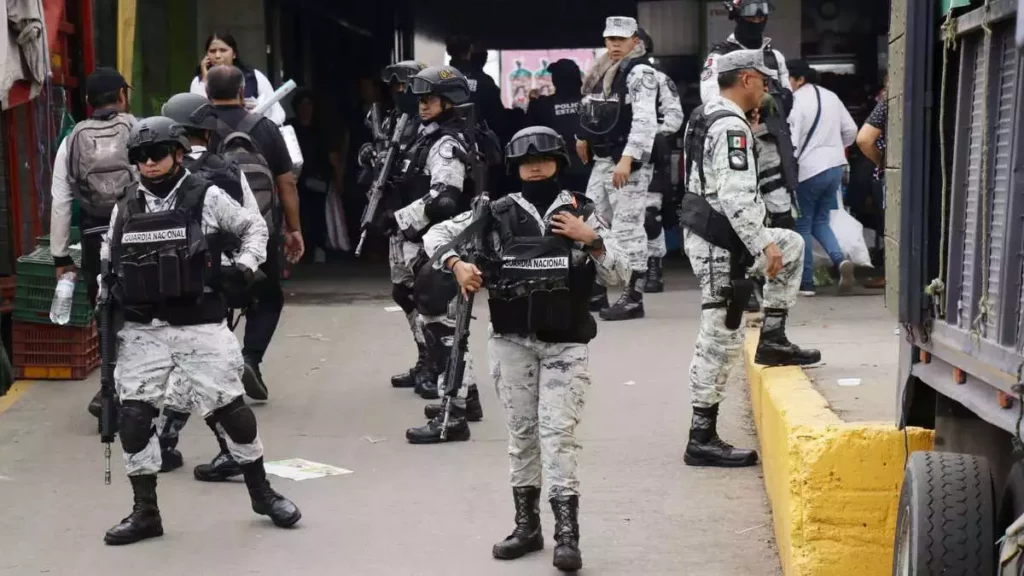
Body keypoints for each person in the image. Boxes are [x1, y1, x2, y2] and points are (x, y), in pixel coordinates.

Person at [423, 126, 630, 572]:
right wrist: (458, 265)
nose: (534, 167)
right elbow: (435, 236)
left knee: (558, 436)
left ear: (559, 161)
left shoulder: (584, 209)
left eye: (543, 159)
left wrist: (589, 238)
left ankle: (567, 536)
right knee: (522, 437)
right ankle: (526, 527)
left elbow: (622, 274)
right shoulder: (494, 212)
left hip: (566, 343)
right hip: (512, 341)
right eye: (525, 162)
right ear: (515, 168)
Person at [100, 116, 299, 545]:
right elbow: (108, 259)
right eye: (139, 157)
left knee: (233, 413)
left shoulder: (203, 195)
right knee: (134, 419)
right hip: (142, 329)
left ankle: (262, 493)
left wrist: (245, 269)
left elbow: (253, 226)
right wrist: (106, 296)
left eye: (156, 154)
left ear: (177, 153)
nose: (148, 163)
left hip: (200, 323)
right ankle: (145, 511)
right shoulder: (126, 205)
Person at [681, 50, 820, 468]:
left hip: (716, 234)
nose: (766, 88)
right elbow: (734, 194)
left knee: (793, 245)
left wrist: (770, 242)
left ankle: (773, 339)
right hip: (720, 241)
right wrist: (763, 243)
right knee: (720, 335)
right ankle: (701, 436)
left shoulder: (707, 113)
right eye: (762, 81)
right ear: (745, 79)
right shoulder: (730, 127)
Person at [155, 91, 261, 475]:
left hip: (171, 283)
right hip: (222, 280)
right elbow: (252, 220)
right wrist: (245, 267)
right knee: (193, 362)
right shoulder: (230, 169)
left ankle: (221, 449)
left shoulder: (169, 174)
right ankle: (166, 441)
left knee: (194, 364)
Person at [381, 66, 482, 444]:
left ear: (449, 101)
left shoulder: (445, 144)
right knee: (434, 317)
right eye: (420, 99)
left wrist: (401, 217)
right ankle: (465, 397)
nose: (422, 106)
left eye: (430, 100)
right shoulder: (429, 136)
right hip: (427, 240)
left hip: (441, 241)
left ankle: (453, 413)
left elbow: (445, 197)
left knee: (442, 323)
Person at [200, 65, 304, 399]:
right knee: (269, 297)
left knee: (205, 296)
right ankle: (250, 358)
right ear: (243, 92)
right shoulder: (265, 128)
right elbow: (286, 182)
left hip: (209, 235)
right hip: (260, 233)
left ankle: (214, 370)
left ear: (206, 93)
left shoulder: (198, 126)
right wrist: (293, 229)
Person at [50, 67, 136, 421]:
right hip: (136, 233)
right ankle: (136, 388)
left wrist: (59, 258)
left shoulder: (72, 139)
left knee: (105, 311)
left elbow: (59, 200)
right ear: (122, 96)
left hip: (93, 236)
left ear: (86, 102)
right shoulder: (138, 128)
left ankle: (110, 387)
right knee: (142, 310)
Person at [577, 16, 658, 321]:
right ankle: (597, 290)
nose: (614, 45)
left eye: (620, 40)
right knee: (591, 222)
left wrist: (628, 158)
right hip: (602, 159)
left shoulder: (641, 73)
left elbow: (644, 121)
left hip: (628, 163)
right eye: (610, 39)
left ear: (635, 40)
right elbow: (593, 108)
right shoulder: (602, 69)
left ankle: (633, 296)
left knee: (628, 229)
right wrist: (581, 136)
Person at [360, 61, 432, 391]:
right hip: (395, 217)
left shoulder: (430, 124)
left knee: (428, 294)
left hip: (424, 221)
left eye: (405, 87)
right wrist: (369, 157)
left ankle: (439, 363)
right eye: (395, 88)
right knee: (403, 292)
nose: (400, 93)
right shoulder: (392, 120)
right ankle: (424, 357)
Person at [786, 59, 858, 295]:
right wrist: (835, 148)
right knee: (821, 221)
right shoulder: (832, 97)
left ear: (799, 79)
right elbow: (852, 131)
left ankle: (806, 283)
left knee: (803, 224)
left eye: (788, 78)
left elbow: (793, 141)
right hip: (836, 167)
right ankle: (840, 261)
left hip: (809, 170)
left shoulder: (796, 101)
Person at [636, 27, 684, 293]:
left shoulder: (659, 80)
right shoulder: (607, 78)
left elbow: (675, 118)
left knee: (649, 216)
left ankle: (654, 267)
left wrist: (644, 134)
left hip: (650, 155)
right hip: (615, 159)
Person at [190, 31, 285, 126]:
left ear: (234, 54)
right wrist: (206, 80)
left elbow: (278, 114)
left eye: (223, 50)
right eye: (212, 51)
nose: (217, 56)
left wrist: (259, 125)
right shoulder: (199, 81)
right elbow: (199, 114)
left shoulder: (253, 76)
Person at [526, 59, 590, 194]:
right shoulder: (592, 103)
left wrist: (534, 102)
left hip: (556, 172)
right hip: (589, 170)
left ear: (555, 80)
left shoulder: (541, 106)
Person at [288, 89, 334, 263]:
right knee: (300, 215)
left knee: (318, 216)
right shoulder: (290, 127)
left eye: (309, 104)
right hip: (297, 180)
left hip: (318, 179)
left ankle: (318, 248)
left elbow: (327, 155)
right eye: (303, 104)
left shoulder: (319, 129)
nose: (306, 108)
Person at [446, 35, 507, 144]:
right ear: (470, 49)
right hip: (479, 146)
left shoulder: (440, 78)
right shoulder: (485, 82)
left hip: (445, 142)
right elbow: (499, 121)